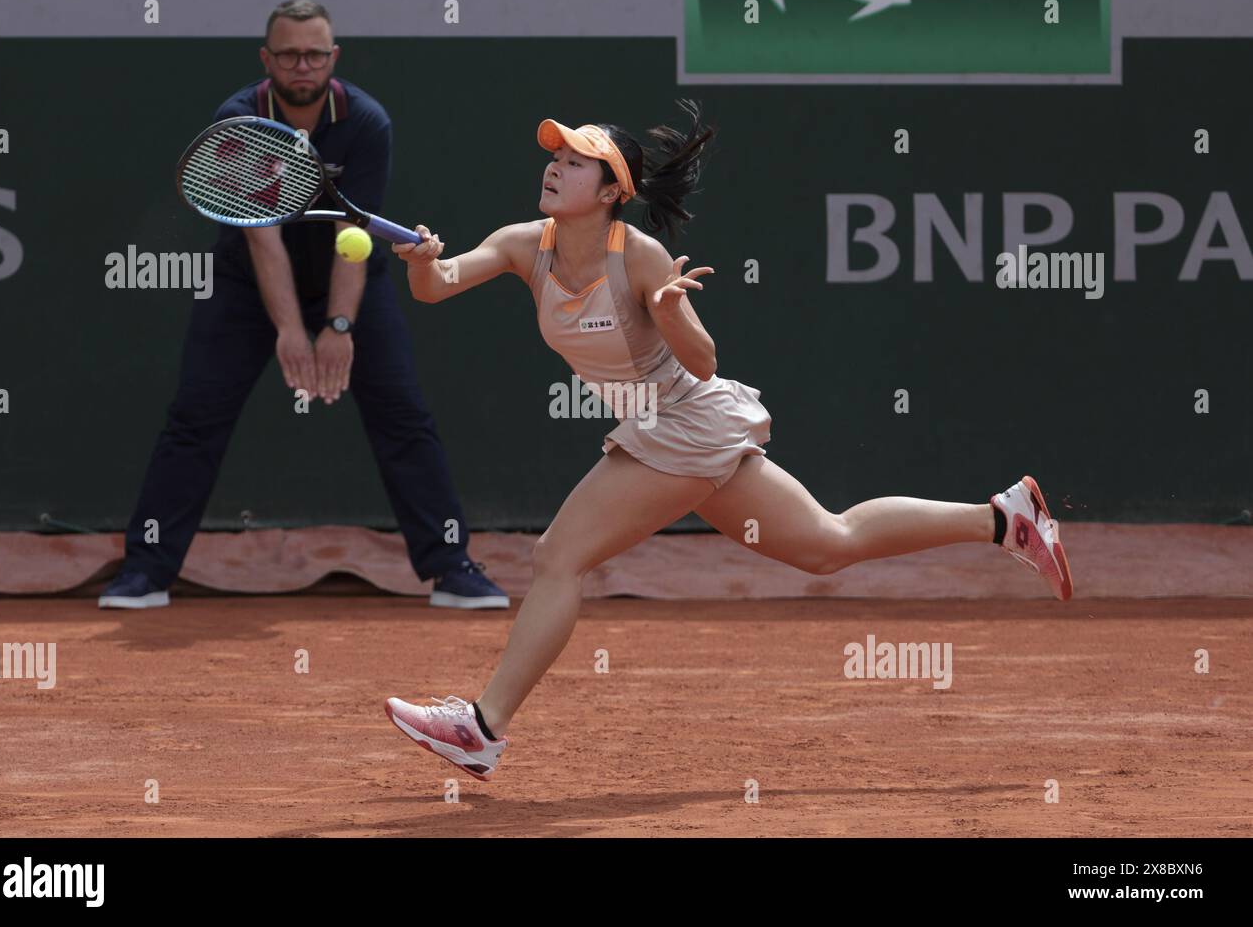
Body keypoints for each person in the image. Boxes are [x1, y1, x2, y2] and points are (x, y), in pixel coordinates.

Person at [384, 100, 1072, 779]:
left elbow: (704, 360)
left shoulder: (642, 256)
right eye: (555, 157)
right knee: (827, 546)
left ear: (612, 190)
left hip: (684, 421)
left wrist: (670, 311)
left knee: (559, 555)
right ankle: (1005, 518)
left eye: (575, 161)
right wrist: (421, 258)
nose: (555, 168)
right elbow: (436, 287)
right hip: (682, 432)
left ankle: (481, 727)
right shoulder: (520, 244)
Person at [98, 0, 506, 611]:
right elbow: (259, 234)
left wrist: (339, 325)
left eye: (315, 54)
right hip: (245, 287)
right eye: (288, 55)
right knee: (194, 420)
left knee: (404, 417)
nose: (302, 66)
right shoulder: (238, 119)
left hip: (350, 278)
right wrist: (290, 328)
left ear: (333, 58)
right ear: (267, 60)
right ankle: (145, 572)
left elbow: (355, 237)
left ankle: (452, 567)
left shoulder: (366, 122)